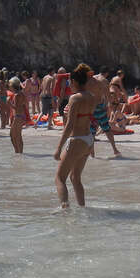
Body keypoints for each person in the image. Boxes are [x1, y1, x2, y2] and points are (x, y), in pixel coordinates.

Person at [53, 64, 97, 208]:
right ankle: (82, 209)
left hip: (77, 139)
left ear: (75, 82)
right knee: (75, 178)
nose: (69, 85)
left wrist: (59, 148)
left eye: (69, 82)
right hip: (88, 139)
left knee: (59, 178)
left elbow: (69, 125)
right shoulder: (92, 97)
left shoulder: (74, 98)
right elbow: (87, 119)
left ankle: (64, 211)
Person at [88, 66, 122, 157]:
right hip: (99, 107)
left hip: (90, 107)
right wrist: (112, 104)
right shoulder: (104, 81)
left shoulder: (92, 79)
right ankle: (115, 150)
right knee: (106, 128)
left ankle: (92, 153)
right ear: (106, 73)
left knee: (91, 130)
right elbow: (108, 97)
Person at [8, 77, 27, 153]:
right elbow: (24, 104)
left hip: (18, 116)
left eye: (9, 84)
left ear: (13, 85)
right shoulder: (21, 93)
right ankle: (18, 152)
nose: (9, 86)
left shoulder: (16, 95)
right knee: (16, 136)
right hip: (21, 116)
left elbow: (16, 107)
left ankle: (18, 152)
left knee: (14, 136)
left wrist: (9, 103)